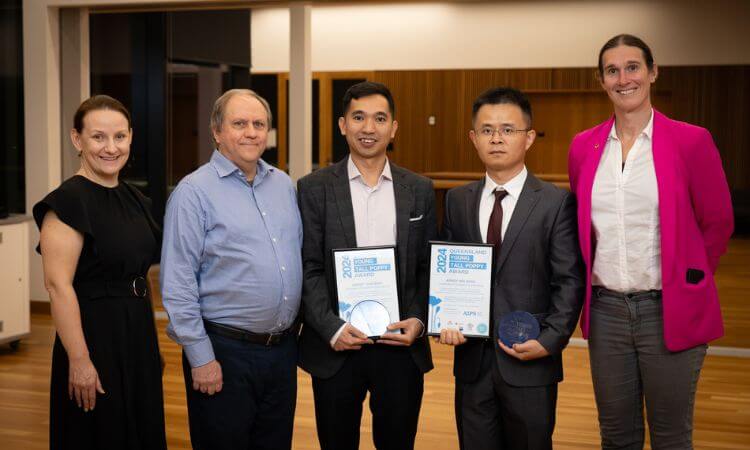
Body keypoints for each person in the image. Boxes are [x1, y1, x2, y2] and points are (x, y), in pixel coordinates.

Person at [567, 34, 734, 449]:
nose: (624, 78)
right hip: (606, 312)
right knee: (616, 435)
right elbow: (582, 226)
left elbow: (718, 222)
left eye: (633, 67)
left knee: (670, 435)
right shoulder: (583, 147)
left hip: (669, 308)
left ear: (652, 72)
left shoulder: (691, 140)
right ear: (601, 80)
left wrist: (689, 280)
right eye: (612, 70)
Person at [437, 87, 584, 450]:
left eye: (508, 129)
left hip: (530, 361)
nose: (497, 138)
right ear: (473, 138)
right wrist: (444, 319)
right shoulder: (457, 200)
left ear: (529, 137)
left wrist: (550, 341)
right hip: (472, 363)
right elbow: (446, 275)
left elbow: (569, 280)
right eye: (486, 130)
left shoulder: (555, 202)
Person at [297, 81, 437, 450]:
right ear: (343, 125)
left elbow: (426, 266)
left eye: (379, 118)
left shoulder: (419, 189)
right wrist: (331, 328)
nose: (369, 128)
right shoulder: (313, 188)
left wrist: (420, 321)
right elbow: (308, 266)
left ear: (394, 128)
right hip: (338, 347)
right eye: (358, 117)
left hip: (399, 345)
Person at [160, 89, 302, 450]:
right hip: (225, 353)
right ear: (216, 131)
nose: (251, 132)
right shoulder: (193, 193)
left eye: (259, 124)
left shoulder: (284, 185)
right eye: (239, 124)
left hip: (281, 353)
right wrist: (201, 358)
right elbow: (177, 284)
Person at [33, 95, 166, 450]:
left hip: (136, 332)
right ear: (77, 139)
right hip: (93, 337)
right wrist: (79, 360)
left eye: (119, 137)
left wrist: (150, 349)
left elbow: (139, 275)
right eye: (98, 137)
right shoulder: (67, 203)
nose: (111, 147)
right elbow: (58, 286)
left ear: (131, 138)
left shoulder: (136, 199)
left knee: (140, 429)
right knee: (100, 433)